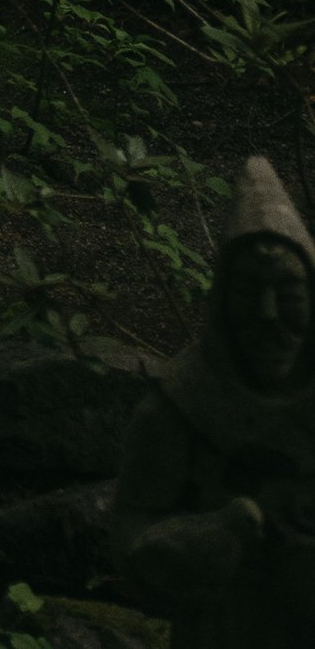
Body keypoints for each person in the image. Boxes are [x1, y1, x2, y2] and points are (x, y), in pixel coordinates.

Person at [114, 154, 315, 646]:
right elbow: (129, 538)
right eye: (248, 292)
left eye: (288, 293)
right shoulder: (180, 407)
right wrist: (210, 536)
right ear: (223, 301)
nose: (268, 316)